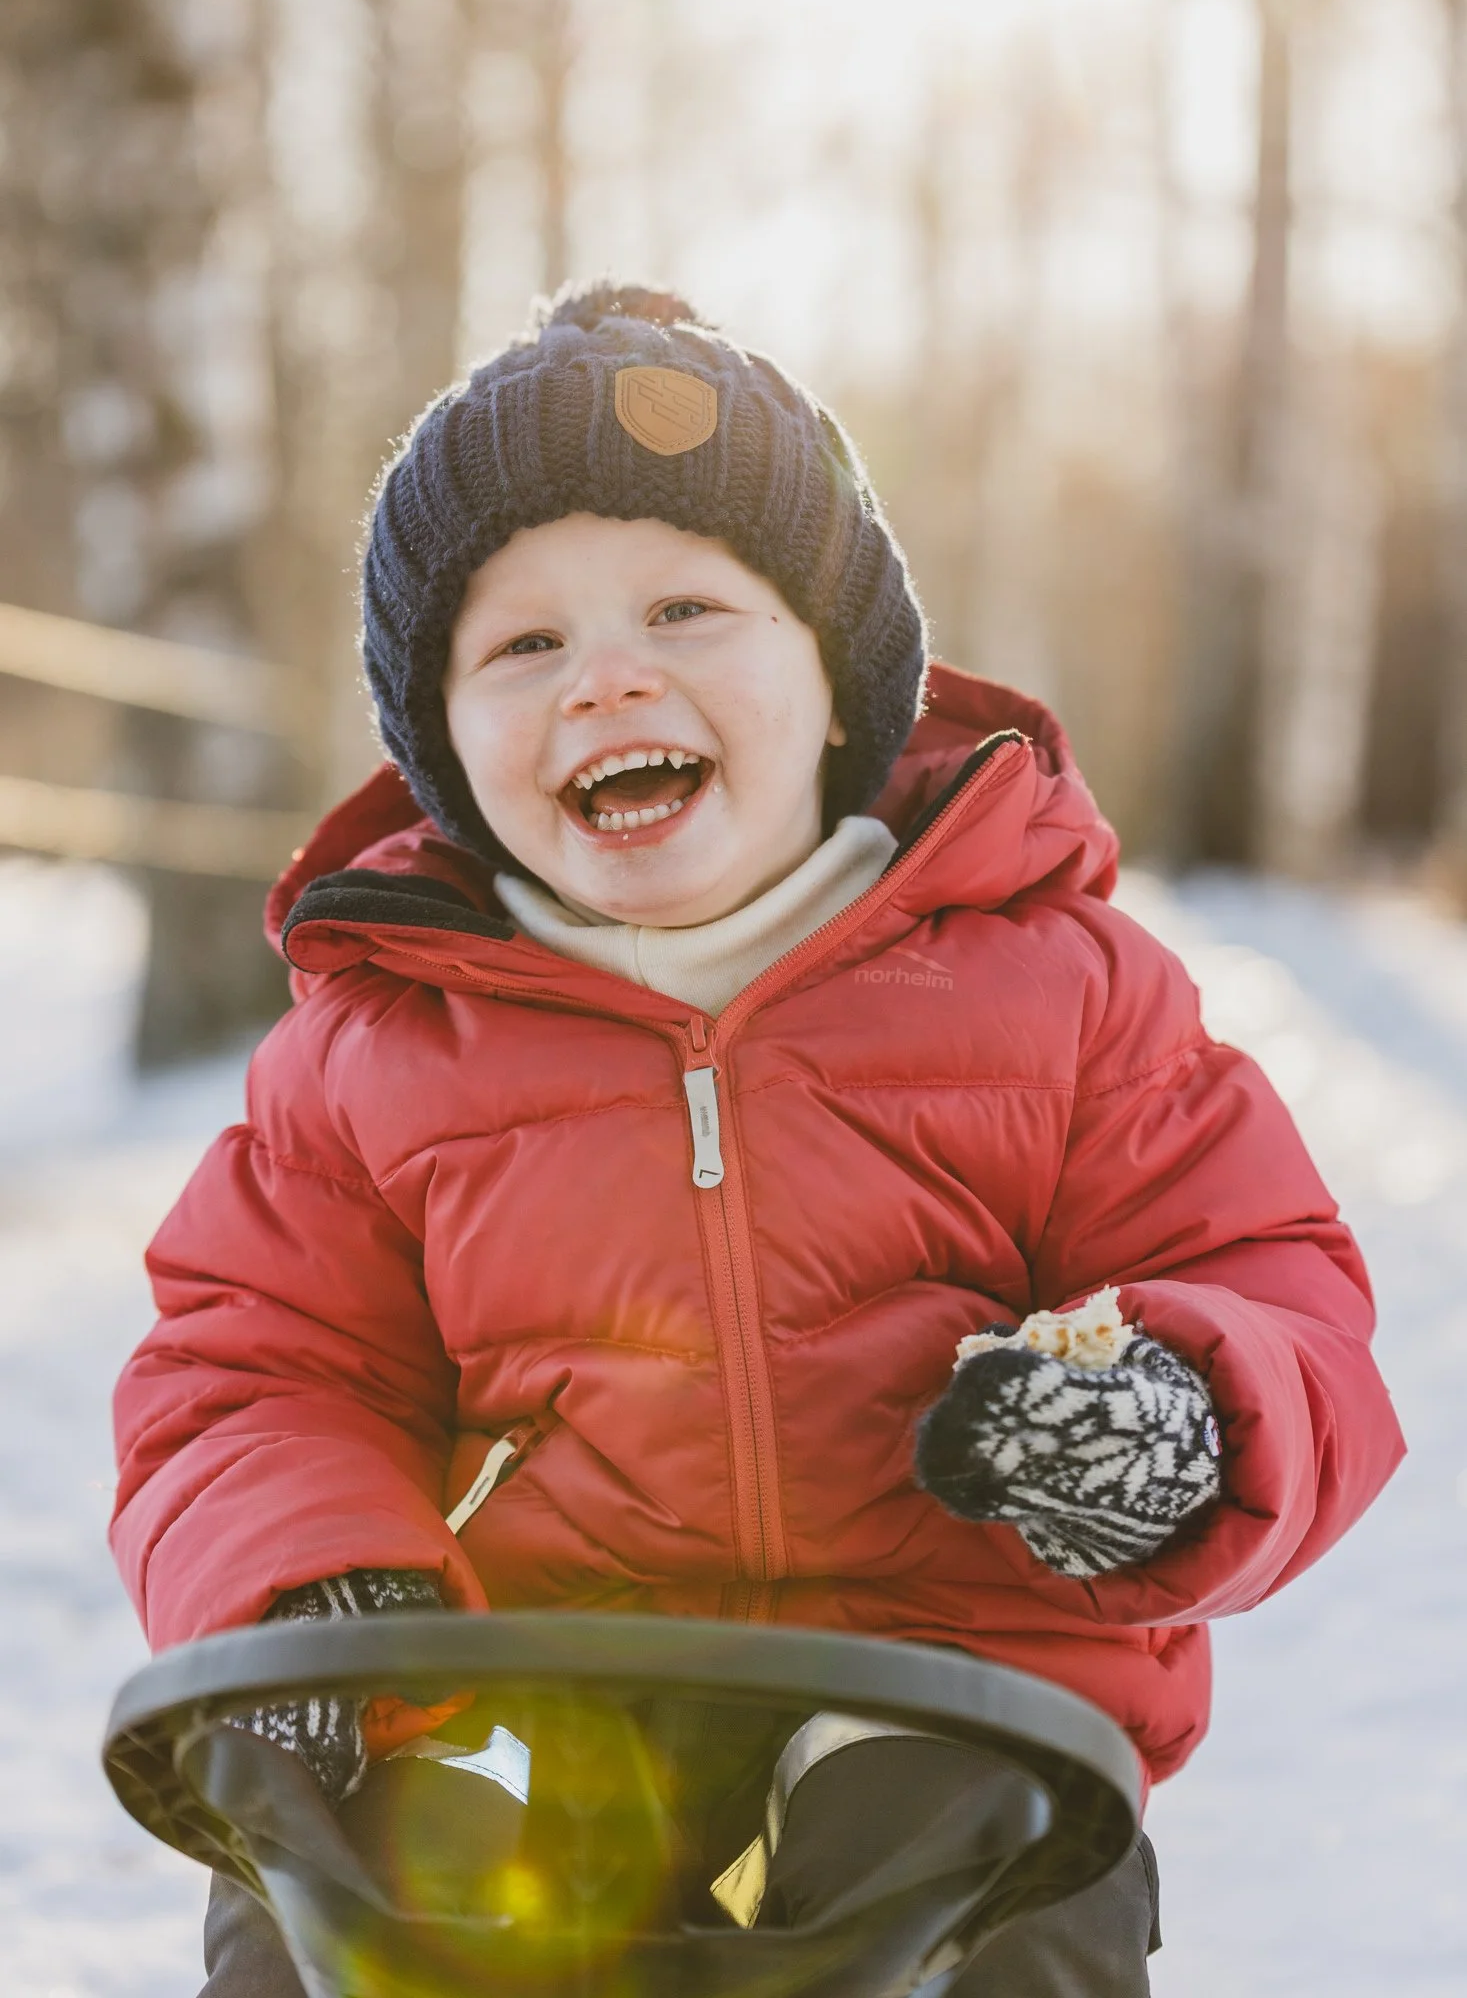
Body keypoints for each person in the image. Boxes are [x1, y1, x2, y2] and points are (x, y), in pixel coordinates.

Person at [111, 283, 1405, 1996]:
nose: (609, 677)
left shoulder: (1058, 987)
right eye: (522, 645)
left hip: (939, 1683)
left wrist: (1170, 1416)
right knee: (336, 1889)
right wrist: (307, 1597)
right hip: (512, 1696)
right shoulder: (378, 1047)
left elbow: (1262, 1275)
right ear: (442, 748)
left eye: (683, 607)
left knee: (980, 1867)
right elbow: (249, 1362)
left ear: (835, 672)